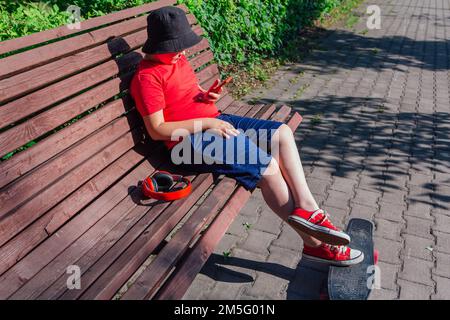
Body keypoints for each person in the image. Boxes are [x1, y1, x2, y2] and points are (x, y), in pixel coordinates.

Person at [130, 6, 363, 266]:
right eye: (176, 47)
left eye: (183, 45)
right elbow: (157, 129)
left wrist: (206, 96)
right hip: (186, 143)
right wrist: (207, 122)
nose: (183, 52)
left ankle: (308, 208)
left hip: (215, 123)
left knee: (282, 134)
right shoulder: (146, 77)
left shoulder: (176, 60)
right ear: (159, 45)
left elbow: (186, 94)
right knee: (268, 167)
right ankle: (317, 246)